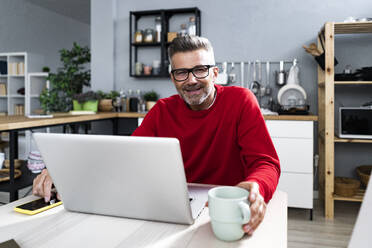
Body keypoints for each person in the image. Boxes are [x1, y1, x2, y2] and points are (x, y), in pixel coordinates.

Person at [33, 35, 280, 236]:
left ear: (215, 73)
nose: (191, 80)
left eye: (200, 70)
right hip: (173, 214)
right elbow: (122, 156)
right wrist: (62, 169)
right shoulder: (162, 110)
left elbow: (266, 163)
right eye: (182, 73)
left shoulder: (240, 100)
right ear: (173, 79)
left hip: (224, 213)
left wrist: (256, 186)